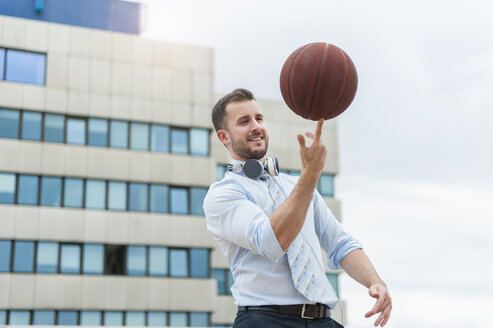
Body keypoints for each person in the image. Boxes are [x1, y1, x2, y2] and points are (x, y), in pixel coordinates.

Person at [203, 88, 392, 328]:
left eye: (259, 118)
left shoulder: (297, 185)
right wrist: (310, 175)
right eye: (244, 121)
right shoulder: (223, 194)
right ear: (224, 137)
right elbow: (271, 240)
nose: (256, 126)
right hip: (266, 321)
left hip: (322, 320)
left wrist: (375, 281)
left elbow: (340, 243)